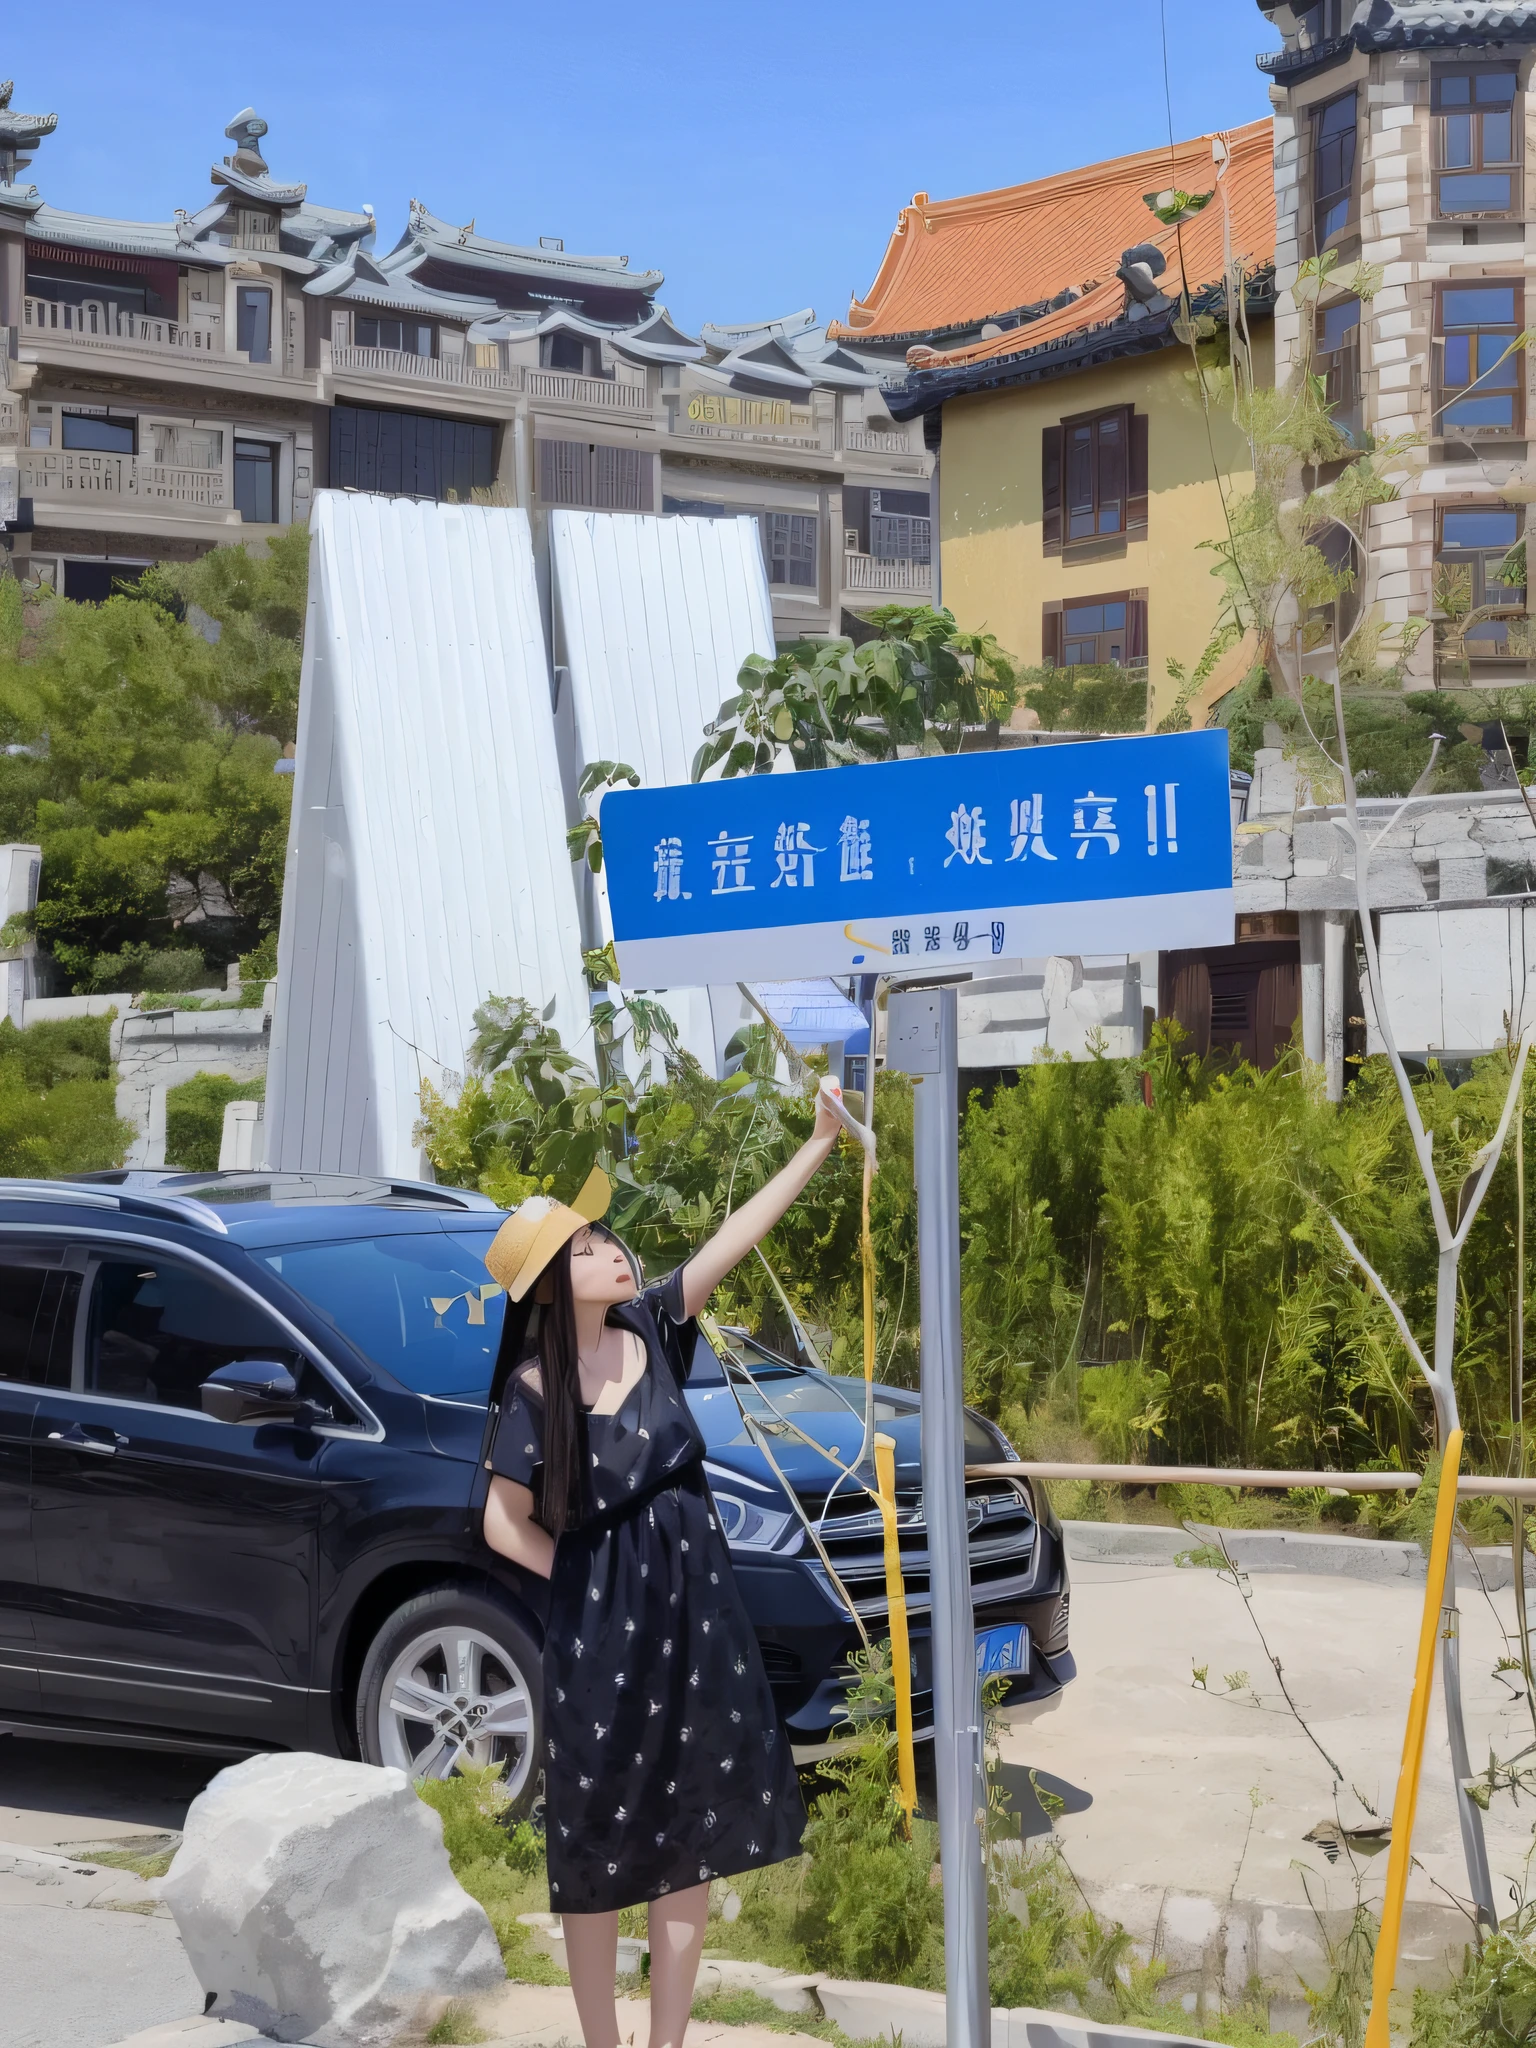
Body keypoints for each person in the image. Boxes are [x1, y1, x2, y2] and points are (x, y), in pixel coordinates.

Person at [478, 1088, 844, 2048]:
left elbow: (736, 1235)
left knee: (692, 1839)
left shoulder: (651, 1327)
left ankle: (667, 2042)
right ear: (553, 1282)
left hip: (698, 1614)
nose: (613, 1251)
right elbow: (501, 1523)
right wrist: (584, 1582)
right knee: (600, 1840)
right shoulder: (533, 1390)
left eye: (606, 1237)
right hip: (603, 1630)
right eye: (589, 1245)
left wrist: (816, 1145)